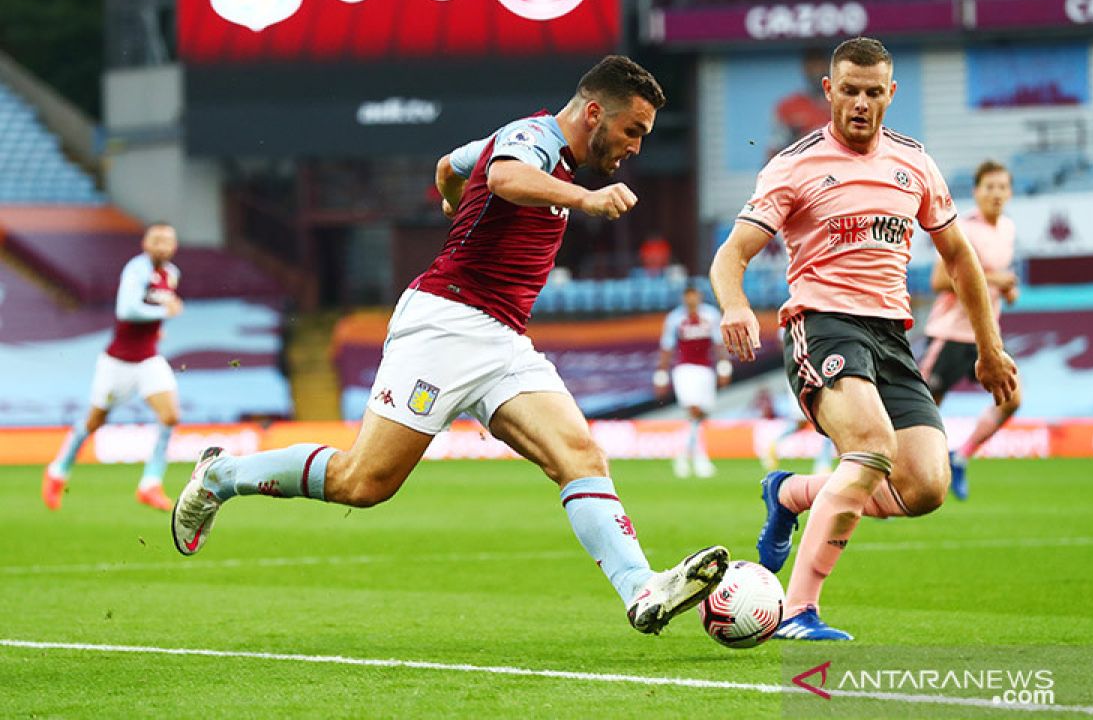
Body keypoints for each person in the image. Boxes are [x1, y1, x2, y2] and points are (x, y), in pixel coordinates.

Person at [171, 55, 729, 634]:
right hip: (445, 324)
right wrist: (586, 200)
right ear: (594, 112)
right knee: (364, 484)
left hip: (503, 337)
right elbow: (505, 177)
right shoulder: (531, 138)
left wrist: (452, 197)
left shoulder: (528, 145)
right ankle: (221, 474)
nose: (636, 146)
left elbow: (450, 165)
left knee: (579, 456)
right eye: (632, 130)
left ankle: (640, 588)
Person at [710, 37, 1017, 641]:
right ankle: (798, 613)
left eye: (873, 92)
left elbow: (960, 259)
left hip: (891, 336)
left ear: (890, 94)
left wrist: (989, 347)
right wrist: (735, 305)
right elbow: (731, 255)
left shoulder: (914, 164)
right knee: (871, 446)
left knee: (925, 485)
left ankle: (791, 492)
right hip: (821, 323)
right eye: (848, 90)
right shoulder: (794, 165)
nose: (860, 103)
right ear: (829, 91)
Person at [42, 223, 184, 512]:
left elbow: (147, 314)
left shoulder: (172, 274)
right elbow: (126, 310)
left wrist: (156, 329)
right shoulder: (136, 270)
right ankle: (58, 471)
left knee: (170, 417)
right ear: (145, 243)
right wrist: (162, 312)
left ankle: (150, 484)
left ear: (174, 245)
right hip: (117, 363)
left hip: (148, 360)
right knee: (94, 421)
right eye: (156, 240)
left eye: (168, 240)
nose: (162, 245)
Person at [920, 160, 1023, 501]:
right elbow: (938, 280)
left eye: (1002, 187)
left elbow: (993, 280)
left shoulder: (1007, 229)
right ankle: (892, 475)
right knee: (920, 409)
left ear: (1009, 192)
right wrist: (995, 278)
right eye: (989, 187)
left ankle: (960, 456)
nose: (996, 194)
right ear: (977, 192)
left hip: (985, 336)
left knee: (1011, 399)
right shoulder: (962, 227)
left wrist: (1006, 289)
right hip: (949, 334)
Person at [654, 285, 731, 478]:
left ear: (699, 296)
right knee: (694, 410)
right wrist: (661, 374)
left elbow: (718, 343)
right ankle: (700, 460)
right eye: (688, 297)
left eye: (694, 296)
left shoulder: (711, 315)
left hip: (706, 369)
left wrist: (723, 366)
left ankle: (681, 456)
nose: (691, 300)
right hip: (685, 369)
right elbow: (667, 346)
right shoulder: (675, 319)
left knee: (701, 414)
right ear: (683, 298)